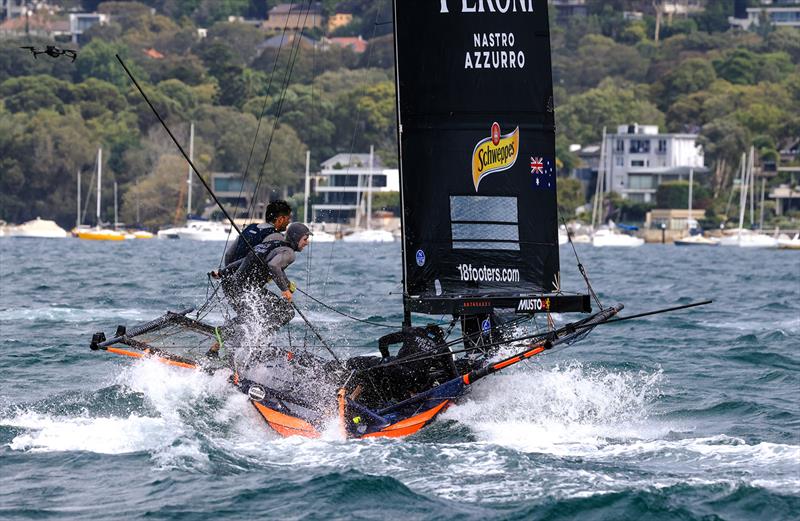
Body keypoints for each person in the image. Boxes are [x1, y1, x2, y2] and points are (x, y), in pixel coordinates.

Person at [208, 222, 312, 357]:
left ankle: (214, 350)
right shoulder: (289, 253)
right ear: (296, 238)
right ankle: (256, 341)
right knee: (284, 311)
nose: (307, 243)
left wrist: (222, 273)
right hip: (246, 290)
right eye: (305, 239)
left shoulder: (269, 245)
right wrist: (284, 289)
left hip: (235, 287)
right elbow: (274, 266)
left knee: (258, 315)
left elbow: (245, 260)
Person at [223, 200, 292, 268]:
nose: (288, 222)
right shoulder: (276, 236)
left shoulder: (250, 227)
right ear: (280, 219)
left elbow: (228, 254)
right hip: (248, 277)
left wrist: (227, 272)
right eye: (288, 219)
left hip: (231, 274)